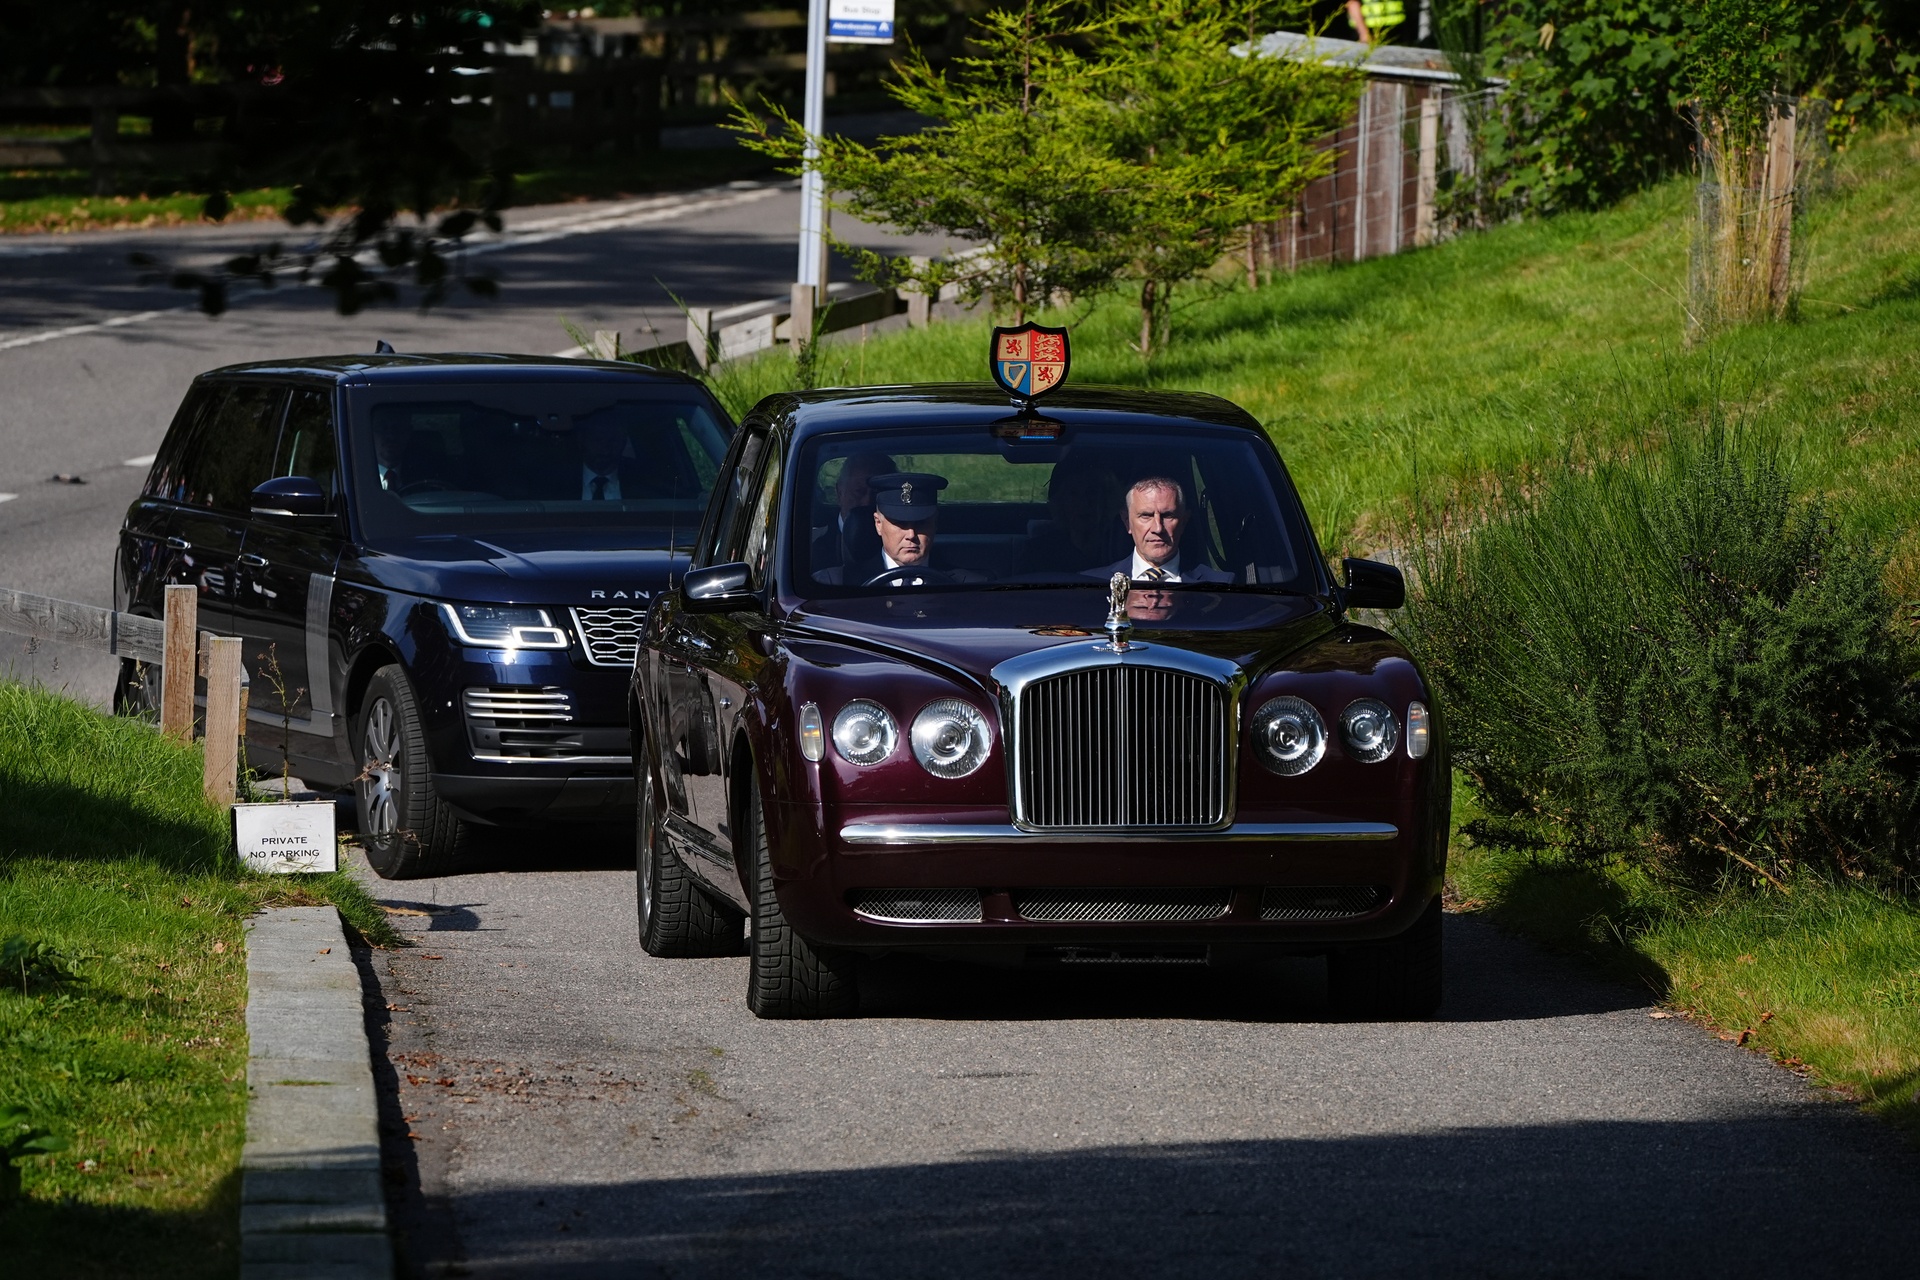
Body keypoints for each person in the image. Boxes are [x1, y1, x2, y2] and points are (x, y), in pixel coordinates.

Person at [824, 472, 975, 586]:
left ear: (935, 523)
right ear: (878, 524)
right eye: (900, 523)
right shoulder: (835, 583)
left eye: (921, 523)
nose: (911, 534)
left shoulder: (965, 585)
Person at [1085, 476, 1232, 584]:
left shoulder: (1221, 587)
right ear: (1127, 522)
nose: (1157, 528)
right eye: (1146, 516)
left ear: (1184, 521)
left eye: (1168, 516)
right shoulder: (1092, 584)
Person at [811, 450, 897, 573]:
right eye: (858, 491)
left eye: (877, 493)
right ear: (839, 492)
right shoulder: (811, 550)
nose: (867, 502)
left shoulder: (908, 545)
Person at [577, 415, 644, 501]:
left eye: (613, 440)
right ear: (581, 440)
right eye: (598, 440)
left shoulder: (643, 481)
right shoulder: (559, 482)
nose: (606, 450)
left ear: (623, 441)